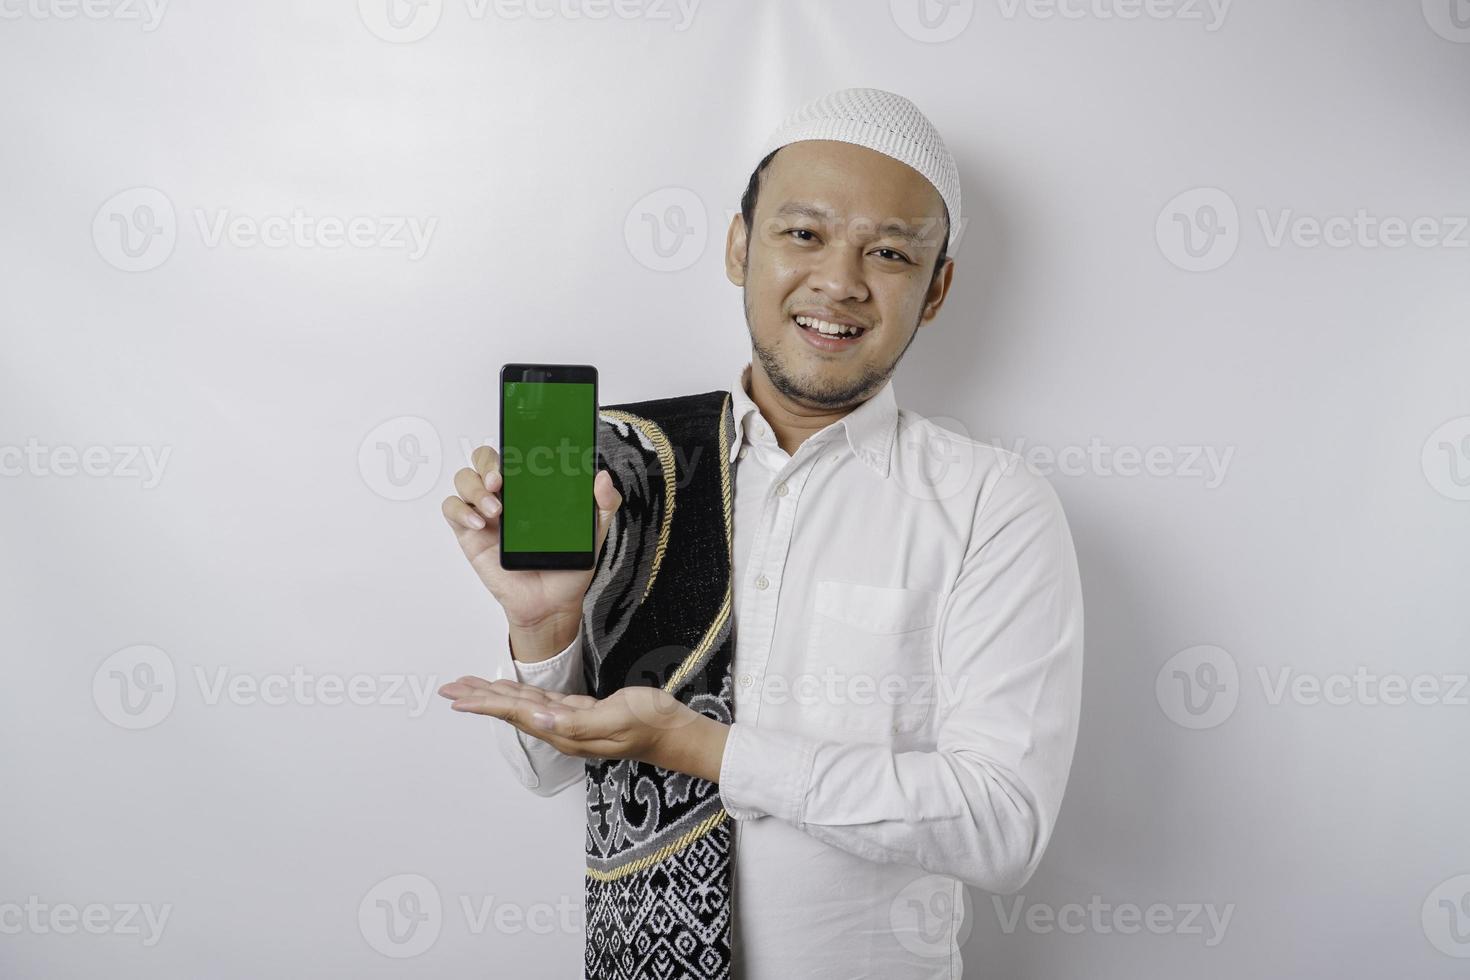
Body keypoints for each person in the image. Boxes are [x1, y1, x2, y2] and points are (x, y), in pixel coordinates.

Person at [438, 87, 1084, 979]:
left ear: (936, 290)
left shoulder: (991, 505)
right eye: (804, 234)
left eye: (889, 252)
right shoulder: (633, 467)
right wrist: (546, 628)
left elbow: (1002, 825)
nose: (839, 282)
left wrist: (705, 750)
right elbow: (549, 773)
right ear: (741, 246)